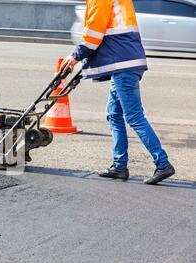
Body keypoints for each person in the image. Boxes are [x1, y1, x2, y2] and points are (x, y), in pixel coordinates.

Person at [60, 0, 175, 185]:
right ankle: (119, 166)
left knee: (134, 116)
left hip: (124, 65)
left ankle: (162, 163)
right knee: (113, 114)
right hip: (128, 62)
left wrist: (75, 57)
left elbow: (93, 34)